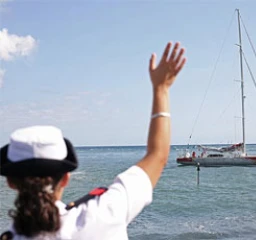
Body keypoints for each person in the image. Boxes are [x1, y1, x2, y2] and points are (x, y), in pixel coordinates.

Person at [0, 42, 186, 240]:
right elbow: (157, 156)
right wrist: (161, 89)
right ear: (65, 178)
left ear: (11, 182)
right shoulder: (102, 216)